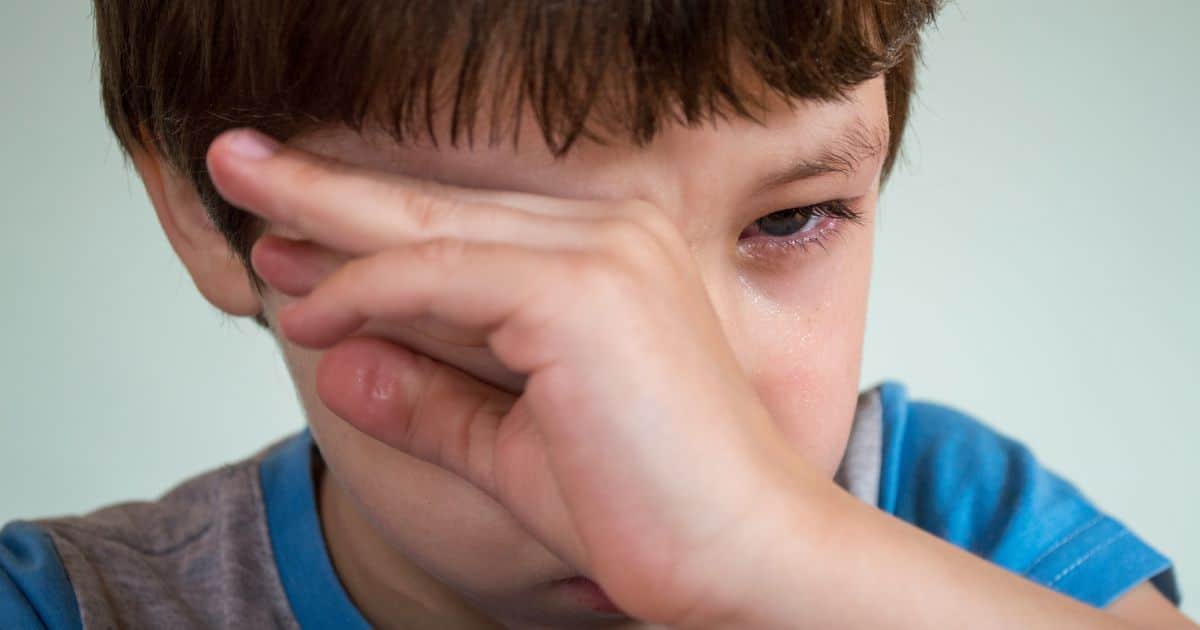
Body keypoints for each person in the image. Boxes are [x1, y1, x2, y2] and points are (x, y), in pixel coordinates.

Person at [1, 1, 1192, 628]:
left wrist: (775, 563)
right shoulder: (69, 606)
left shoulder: (955, 531)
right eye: (500, 265)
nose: (674, 392)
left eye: (789, 222)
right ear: (201, 218)